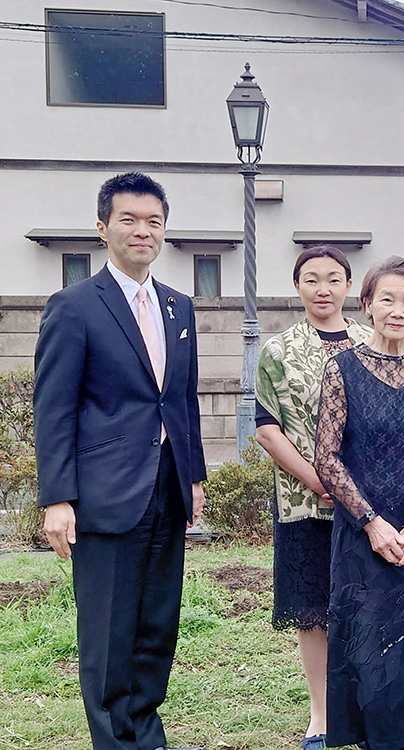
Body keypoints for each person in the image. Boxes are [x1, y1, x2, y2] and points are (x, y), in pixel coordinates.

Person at [33, 172, 206, 750]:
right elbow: (53, 408)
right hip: (103, 494)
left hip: (166, 486)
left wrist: (195, 475)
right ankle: (115, 741)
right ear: (102, 226)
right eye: (129, 219)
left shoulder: (178, 306)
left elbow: (183, 399)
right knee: (108, 636)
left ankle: (146, 734)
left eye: (154, 221)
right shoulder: (74, 306)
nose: (143, 231)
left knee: (157, 627)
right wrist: (57, 498)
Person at [313, 256, 404, 750]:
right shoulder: (342, 370)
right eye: (387, 299)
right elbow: (328, 458)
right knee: (368, 641)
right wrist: (372, 523)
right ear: (368, 305)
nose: (398, 309)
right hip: (362, 534)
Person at [255, 246, 371, 750]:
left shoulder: (377, 340)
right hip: (305, 503)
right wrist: (319, 480)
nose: (323, 289)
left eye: (333, 279)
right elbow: (266, 428)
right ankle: (322, 716)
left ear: (349, 285)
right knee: (314, 611)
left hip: (372, 505)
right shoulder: (277, 351)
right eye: (311, 279)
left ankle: (368, 709)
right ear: (297, 286)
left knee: (371, 605)